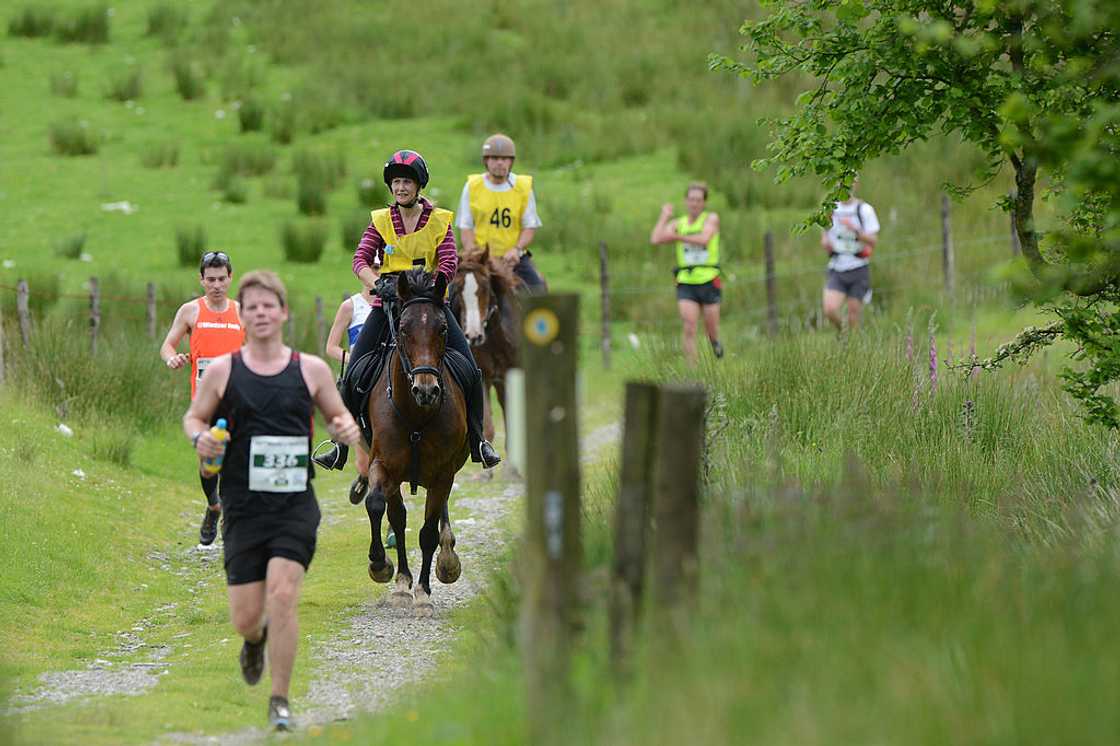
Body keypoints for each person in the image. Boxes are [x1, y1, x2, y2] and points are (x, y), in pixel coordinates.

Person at [184, 270, 360, 731]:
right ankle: (254, 639)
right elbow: (194, 418)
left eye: (270, 305)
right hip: (242, 506)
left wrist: (343, 428)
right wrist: (201, 438)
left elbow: (339, 416)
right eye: (253, 307)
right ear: (244, 316)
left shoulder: (311, 369)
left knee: (283, 595)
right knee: (246, 617)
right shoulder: (225, 371)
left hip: (293, 506)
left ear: (284, 313)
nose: (262, 313)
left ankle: (279, 700)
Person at [313, 149, 501, 471]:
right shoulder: (380, 222)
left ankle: (478, 441)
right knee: (355, 370)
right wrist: (377, 283)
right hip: (387, 304)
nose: (401, 188)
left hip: (428, 305)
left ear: (418, 186)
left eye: (407, 182)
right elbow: (359, 259)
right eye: (396, 182)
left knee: (470, 370)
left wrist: (434, 286)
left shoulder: (440, 221)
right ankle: (341, 447)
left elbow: (449, 260)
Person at [160, 251, 245, 546]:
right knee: (209, 462)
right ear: (201, 280)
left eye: (222, 279)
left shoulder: (242, 311)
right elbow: (168, 346)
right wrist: (172, 359)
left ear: (230, 278)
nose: (217, 285)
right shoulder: (190, 312)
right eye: (211, 280)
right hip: (204, 403)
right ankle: (213, 506)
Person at [456, 133, 546, 291]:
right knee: (453, 291)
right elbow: (466, 227)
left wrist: (516, 250)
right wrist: (475, 255)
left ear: (511, 162)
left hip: (512, 257)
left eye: (504, 159)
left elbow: (529, 226)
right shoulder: (472, 186)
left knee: (537, 289)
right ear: (486, 161)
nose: (499, 163)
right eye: (494, 158)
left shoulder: (523, 187)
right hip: (480, 258)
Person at [648, 182, 724, 364]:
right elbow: (655, 239)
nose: (694, 203)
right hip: (686, 282)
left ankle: (715, 343)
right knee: (689, 326)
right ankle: (693, 371)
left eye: (698, 200)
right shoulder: (679, 223)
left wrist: (677, 237)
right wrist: (664, 217)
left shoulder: (710, 219)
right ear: (686, 201)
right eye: (691, 199)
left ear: (704, 202)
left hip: (709, 280)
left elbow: (704, 238)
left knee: (710, 329)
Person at [821, 177, 880, 331]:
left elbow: (873, 241)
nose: (845, 185)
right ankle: (844, 333)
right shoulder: (831, 208)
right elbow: (825, 230)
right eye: (842, 181)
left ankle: (850, 348)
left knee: (854, 318)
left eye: (850, 182)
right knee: (830, 310)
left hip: (858, 268)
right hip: (837, 267)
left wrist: (855, 231)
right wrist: (825, 241)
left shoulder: (864, 210)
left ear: (856, 184)